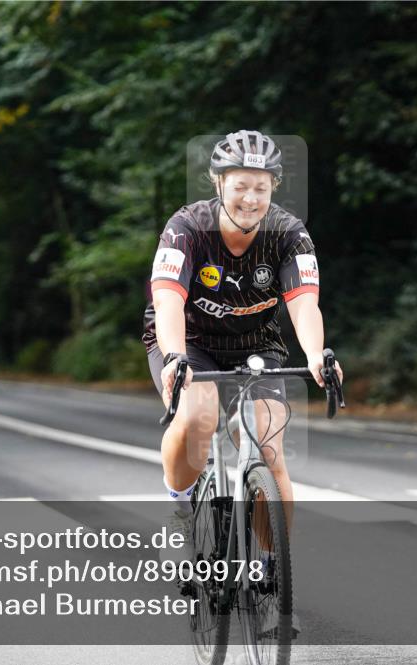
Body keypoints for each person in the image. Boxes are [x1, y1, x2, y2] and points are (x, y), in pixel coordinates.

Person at [142, 130, 342, 569]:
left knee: (269, 446)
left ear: (274, 186)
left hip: (256, 344)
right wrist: (175, 357)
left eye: (261, 187)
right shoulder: (187, 227)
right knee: (199, 415)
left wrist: (315, 355)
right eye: (240, 187)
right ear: (218, 184)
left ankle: (273, 566)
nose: (250, 199)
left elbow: (304, 303)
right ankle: (179, 508)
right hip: (188, 340)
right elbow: (168, 299)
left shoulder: (289, 234)